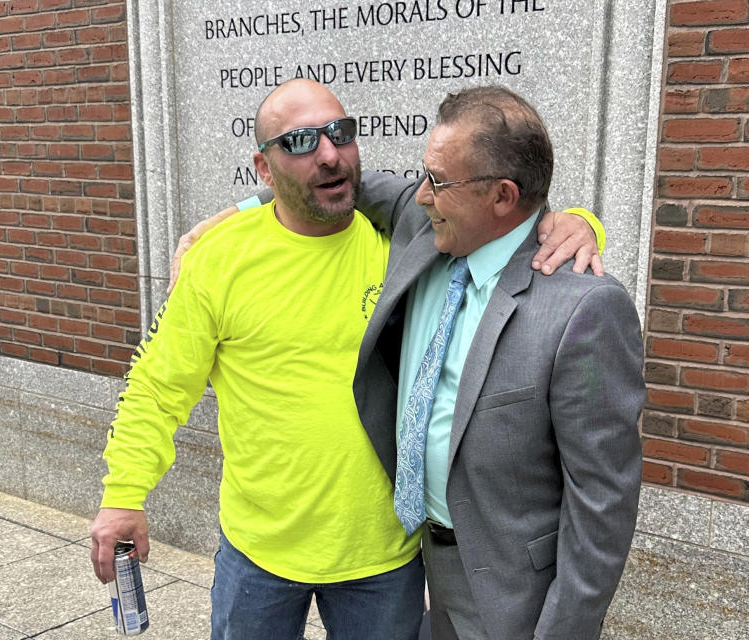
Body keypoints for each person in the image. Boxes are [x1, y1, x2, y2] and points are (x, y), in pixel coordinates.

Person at [91, 79, 602, 640]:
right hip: (259, 552)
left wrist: (579, 221)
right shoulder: (219, 261)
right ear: (264, 168)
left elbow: (507, 221)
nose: (330, 153)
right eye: (302, 141)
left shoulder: (410, 245)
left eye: (340, 133)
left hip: (381, 559)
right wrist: (123, 495)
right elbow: (157, 388)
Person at [353, 86, 645, 640]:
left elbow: (601, 503)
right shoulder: (429, 232)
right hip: (416, 565)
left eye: (438, 181)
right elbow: (339, 181)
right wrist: (241, 210)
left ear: (503, 197)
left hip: (513, 598)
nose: (421, 195)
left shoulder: (585, 310)